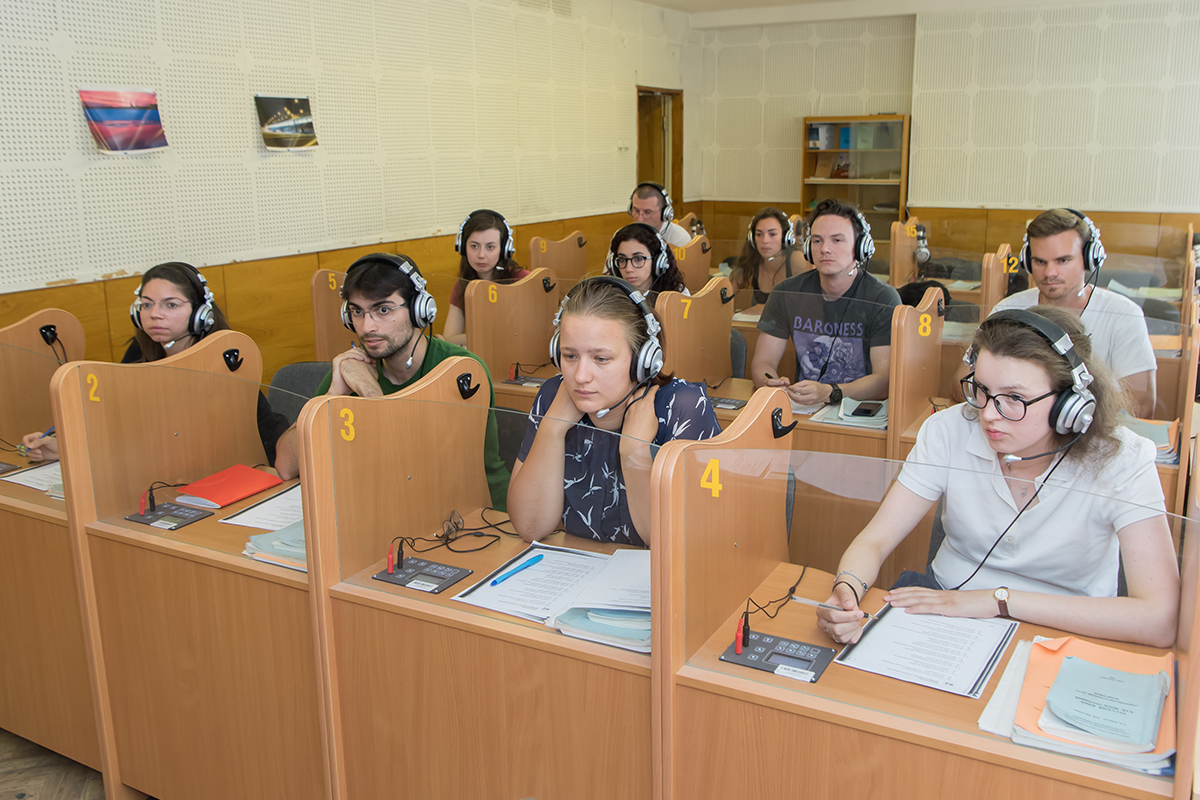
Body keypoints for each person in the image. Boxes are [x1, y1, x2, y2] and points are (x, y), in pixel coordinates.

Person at [816, 307, 1179, 648]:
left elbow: (1159, 618)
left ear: (1071, 405)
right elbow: (875, 541)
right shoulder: (949, 430)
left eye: (1014, 398)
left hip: (1069, 629)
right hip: (946, 609)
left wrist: (997, 601)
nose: (989, 414)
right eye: (982, 390)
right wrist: (846, 588)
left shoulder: (1122, 460)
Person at [272, 253, 510, 508]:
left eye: (383, 310)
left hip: (479, 513)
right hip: (390, 509)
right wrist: (333, 396)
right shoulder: (350, 372)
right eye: (357, 312)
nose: (367, 327)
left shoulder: (460, 372)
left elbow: (420, 474)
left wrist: (372, 394)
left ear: (420, 309)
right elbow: (286, 466)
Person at [507, 276, 722, 547]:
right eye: (570, 356)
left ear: (644, 360)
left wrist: (634, 452)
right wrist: (552, 429)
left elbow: (677, 544)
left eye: (601, 359)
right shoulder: (553, 396)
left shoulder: (683, 407)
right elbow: (530, 526)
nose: (581, 376)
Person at [20, 262, 290, 466]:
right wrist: (63, 448)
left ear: (201, 314)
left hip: (244, 470)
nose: (155, 315)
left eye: (171, 305)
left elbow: (250, 444)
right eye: (147, 305)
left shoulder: (223, 358)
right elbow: (120, 427)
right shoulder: (141, 351)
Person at [991, 209, 1157, 417]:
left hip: (1094, 434)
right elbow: (963, 383)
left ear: (1089, 259)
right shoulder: (1008, 310)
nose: (1050, 273)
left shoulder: (1123, 315)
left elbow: (1142, 404)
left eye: (1063, 261)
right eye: (1040, 261)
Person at [750, 199, 901, 407]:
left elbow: (884, 380)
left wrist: (831, 393)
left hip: (859, 410)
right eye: (818, 241)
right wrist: (769, 382)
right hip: (805, 409)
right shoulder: (786, 292)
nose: (825, 249)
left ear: (860, 248)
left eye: (837, 240)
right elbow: (763, 362)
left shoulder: (882, 298)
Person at [441, 209, 530, 346]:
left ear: (504, 250)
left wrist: (475, 336)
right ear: (463, 247)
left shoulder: (522, 280)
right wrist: (491, 335)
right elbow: (450, 338)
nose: (481, 254)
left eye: (490, 247)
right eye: (474, 246)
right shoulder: (462, 286)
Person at [729, 207, 807, 307]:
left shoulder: (797, 260)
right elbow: (724, 296)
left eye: (772, 234)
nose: (765, 240)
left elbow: (813, 305)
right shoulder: (751, 262)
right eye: (759, 234)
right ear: (752, 238)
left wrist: (766, 311)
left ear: (785, 237)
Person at [606, 223, 688, 306]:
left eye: (638, 259)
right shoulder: (609, 297)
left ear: (658, 262)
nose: (628, 269)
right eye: (622, 259)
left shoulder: (678, 295)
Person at [627, 182, 691, 248]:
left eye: (648, 212)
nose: (640, 219)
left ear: (665, 213)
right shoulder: (623, 236)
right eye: (636, 211)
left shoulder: (679, 240)